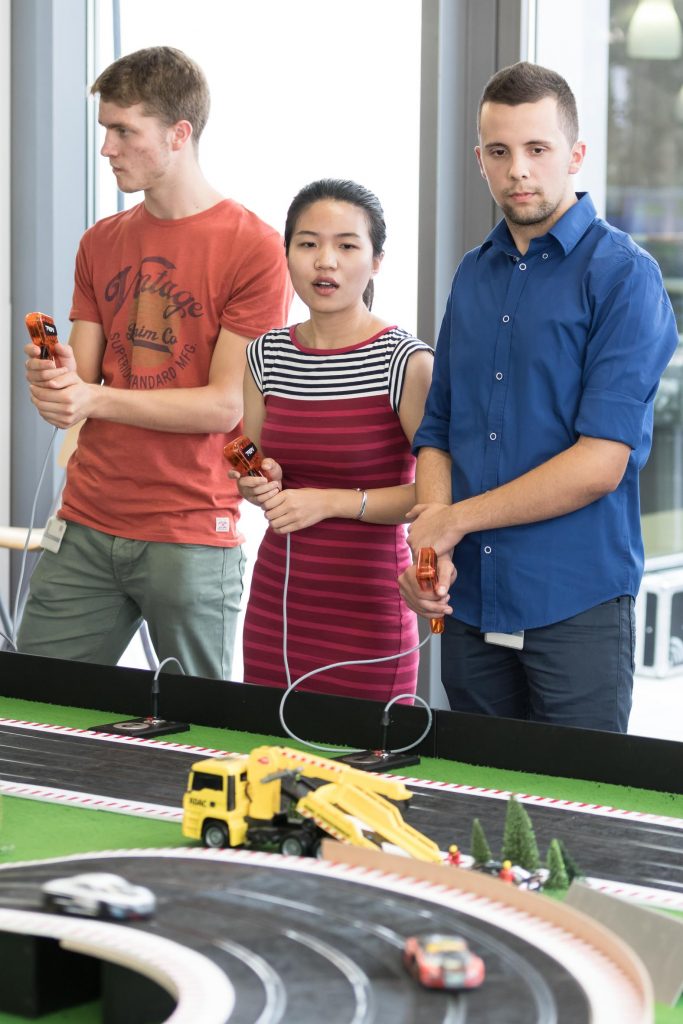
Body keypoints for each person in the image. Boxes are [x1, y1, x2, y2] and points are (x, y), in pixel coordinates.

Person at [399, 62, 679, 732]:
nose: (517, 169)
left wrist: (454, 521)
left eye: (537, 149)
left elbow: (599, 463)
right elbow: (438, 426)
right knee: (480, 807)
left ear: (575, 155)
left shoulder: (623, 278)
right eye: (499, 152)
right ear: (479, 160)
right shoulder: (471, 274)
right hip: (469, 602)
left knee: (571, 824)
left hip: (572, 605)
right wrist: (431, 550)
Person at [18, 47, 292, 679]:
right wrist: (55, 383)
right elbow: (77, 390)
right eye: (105, 130)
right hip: (87, 517)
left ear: (178, 134)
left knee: (196, 734)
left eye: (124, 131)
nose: (108, 148)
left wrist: (91, 400)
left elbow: (224, 405)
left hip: (192, 529)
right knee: (33, 709)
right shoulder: (100, 242)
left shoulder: (254, 248)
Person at [231, 179, 433, 701]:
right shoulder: (265, 355)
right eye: (308, 243)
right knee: (269, 762)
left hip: (369, 603)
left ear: (376, 260)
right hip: (280, 598)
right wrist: (259, 482)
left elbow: (433, 498)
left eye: (347, 245)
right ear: (288, 253)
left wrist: (330, 503)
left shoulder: (406, 362)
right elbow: (249, 466)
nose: (326, 261)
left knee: (365, 772)